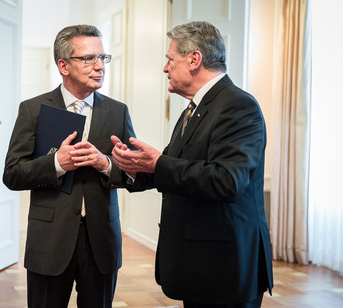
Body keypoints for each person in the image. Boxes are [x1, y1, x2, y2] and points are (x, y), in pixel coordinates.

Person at [111, 21, 273, 308]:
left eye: (169, 59)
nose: (165, 68)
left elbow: (227, 181)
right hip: (200, 263)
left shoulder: (238, 105)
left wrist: (157, 163)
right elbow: (171, 168)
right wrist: (132, 165)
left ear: (194, 59)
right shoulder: (194, 108)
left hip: (225, 268)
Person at [3, 24, 136, 308]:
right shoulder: (33, 109)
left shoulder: (118, 111)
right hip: (49, 241)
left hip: (101, 240)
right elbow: (13, 174)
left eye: (103, 57)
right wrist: (56, 164)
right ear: (63, 65)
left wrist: (106, 164)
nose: (100, 66)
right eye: (89, 58)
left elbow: (134, 175)